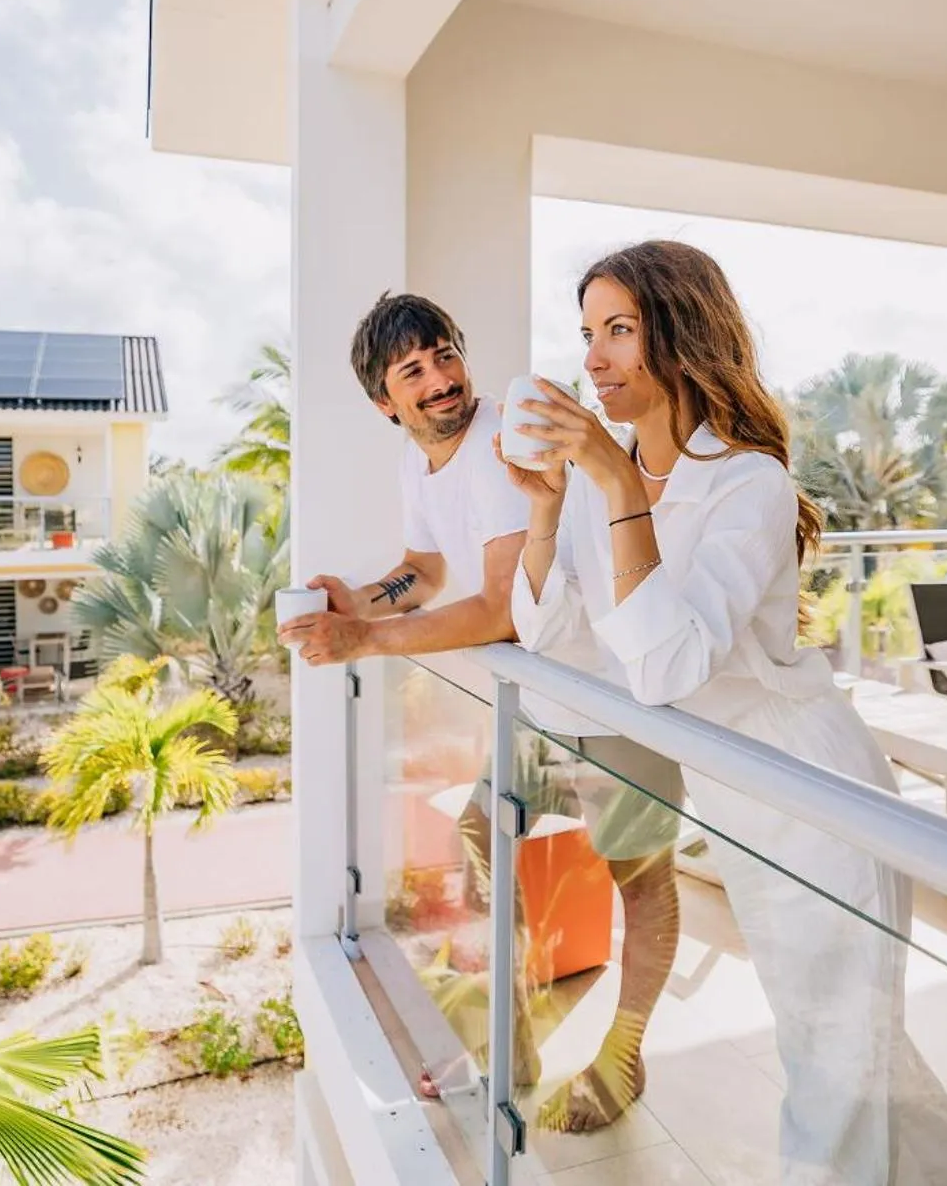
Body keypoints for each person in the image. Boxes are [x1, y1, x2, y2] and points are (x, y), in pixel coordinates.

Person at [500, 241, 947, 1183]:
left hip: (815, 793)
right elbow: (558, 641)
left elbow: (667, 666)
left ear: (685, 334)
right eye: (587, 334)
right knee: (838, 1041)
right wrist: (543, 508)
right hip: (737, 801)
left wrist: (613, 483)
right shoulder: (595, 485)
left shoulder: (747, 485)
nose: (595, 358)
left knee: (835, 1051)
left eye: (620, 330)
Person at [280, 291, 684, 1132]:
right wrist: (365, 598)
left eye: (445, 354)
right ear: (384, 401)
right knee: (481, 831)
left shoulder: (505, 441)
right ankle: (512, 1041)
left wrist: (363, 640)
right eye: (414, 370)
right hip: (544, 701)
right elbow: (427, 567)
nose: (440, 379)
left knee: (640, 884)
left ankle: (624, 1054)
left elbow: (501, 608)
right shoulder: (420, 459)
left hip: (613, 693)